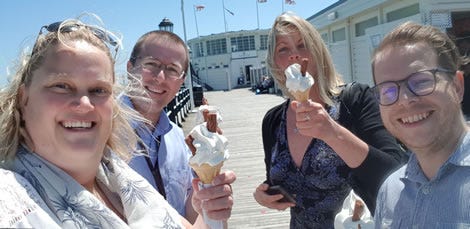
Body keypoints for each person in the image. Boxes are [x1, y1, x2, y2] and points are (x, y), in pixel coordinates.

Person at [0, 17, 234, 228]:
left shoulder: (118, 176)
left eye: (98, 90)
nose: (84, 103)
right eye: (61, 86)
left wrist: (211, 208)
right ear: (23, 98)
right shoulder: (10, 201)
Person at [252, 12, 407, 228]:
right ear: (275, 61)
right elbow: (277, 178)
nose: (294, 55)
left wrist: (332, 133)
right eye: (283, 49)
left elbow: (395, 172)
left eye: (302, 44)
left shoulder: (355, 100)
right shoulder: (273, 121)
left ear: (318, 51)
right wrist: (263, 195)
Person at [371, 22, 470, 228]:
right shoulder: (390, 191)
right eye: (388, 90)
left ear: (457, 86)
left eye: (421, 81)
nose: (405, 99)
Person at [123, 30, 207, 223]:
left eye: (172, 69)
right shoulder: (100, 132)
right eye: (151, 64)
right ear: (130, 68)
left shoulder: (177, 137)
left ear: (181, 81)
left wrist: (207, 192)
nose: (160, 77)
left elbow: (189, 207)